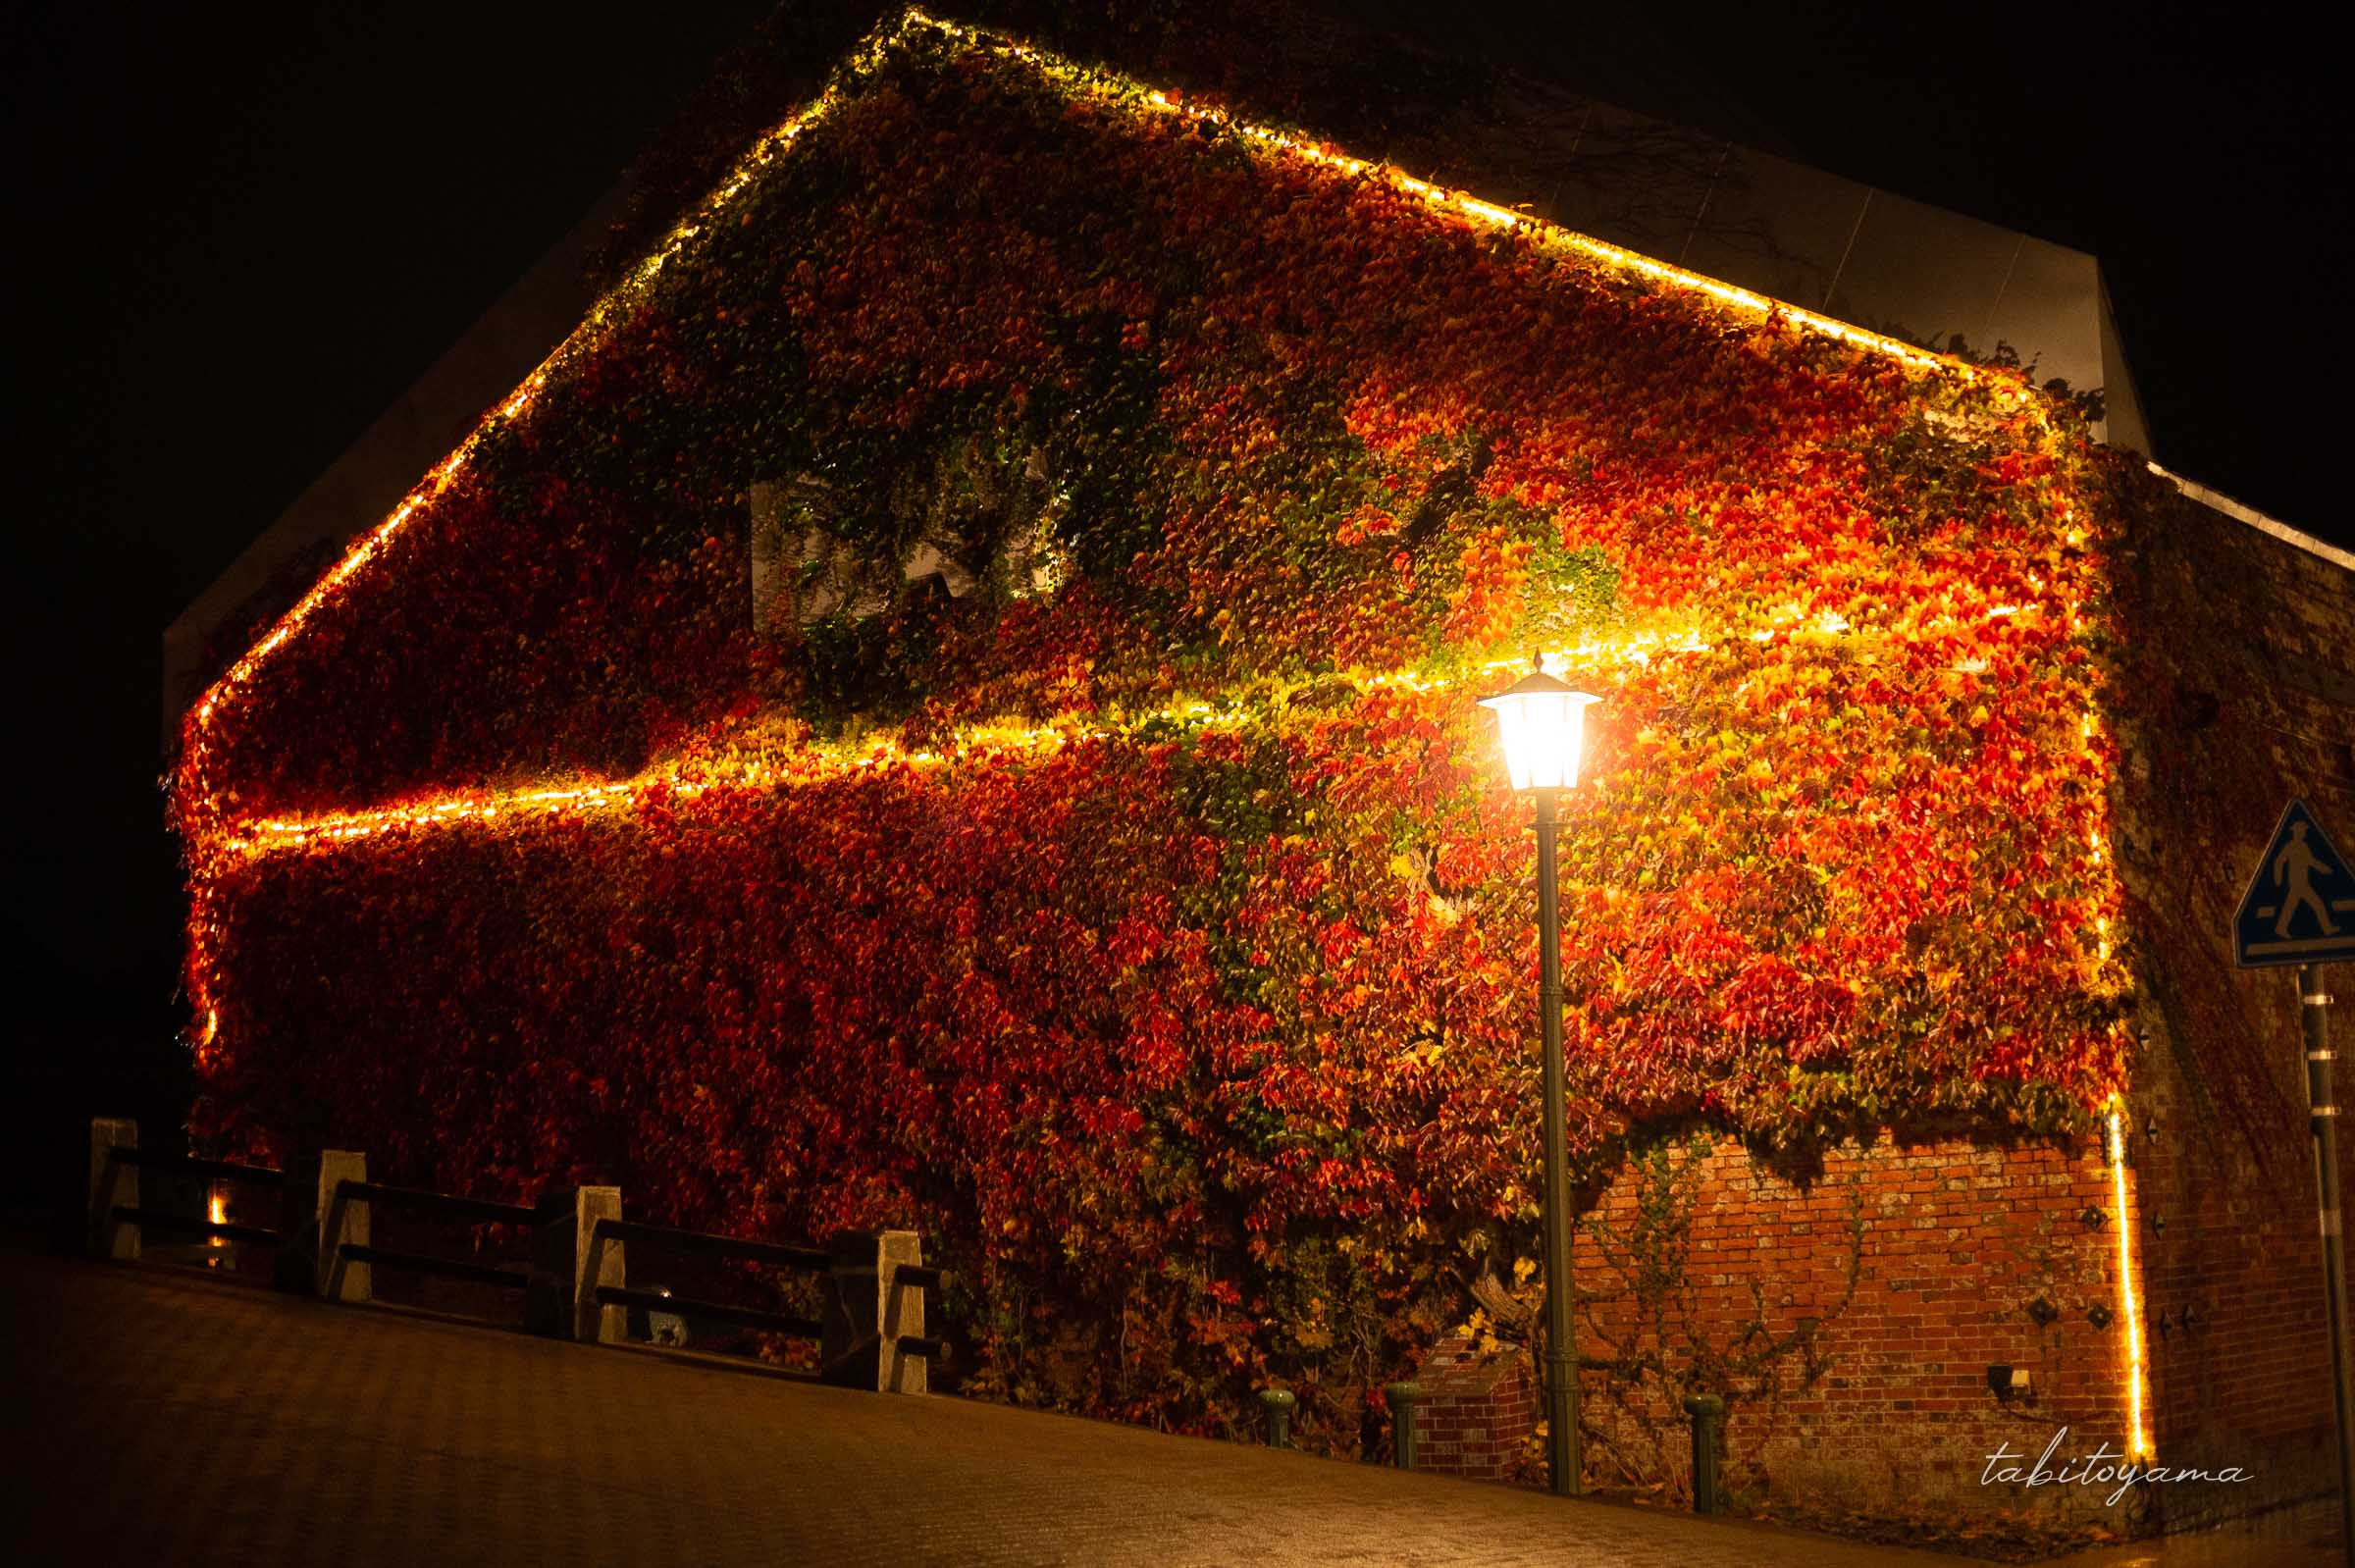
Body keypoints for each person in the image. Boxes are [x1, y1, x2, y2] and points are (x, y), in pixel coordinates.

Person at [2274, 821, 2341, 939]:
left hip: (2302, 882)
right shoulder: (2290, 846)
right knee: (2316, 904)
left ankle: (2281, 927)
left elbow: (2311, 861)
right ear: (2297, 832)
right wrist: (2278, 878)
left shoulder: (2304, 846)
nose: (2304, 833)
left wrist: (2324, 869)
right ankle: (2327, 928)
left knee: (2293, 905)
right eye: (2302, 831)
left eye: (2304, 831)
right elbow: (2279, 861)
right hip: (2297, 882)